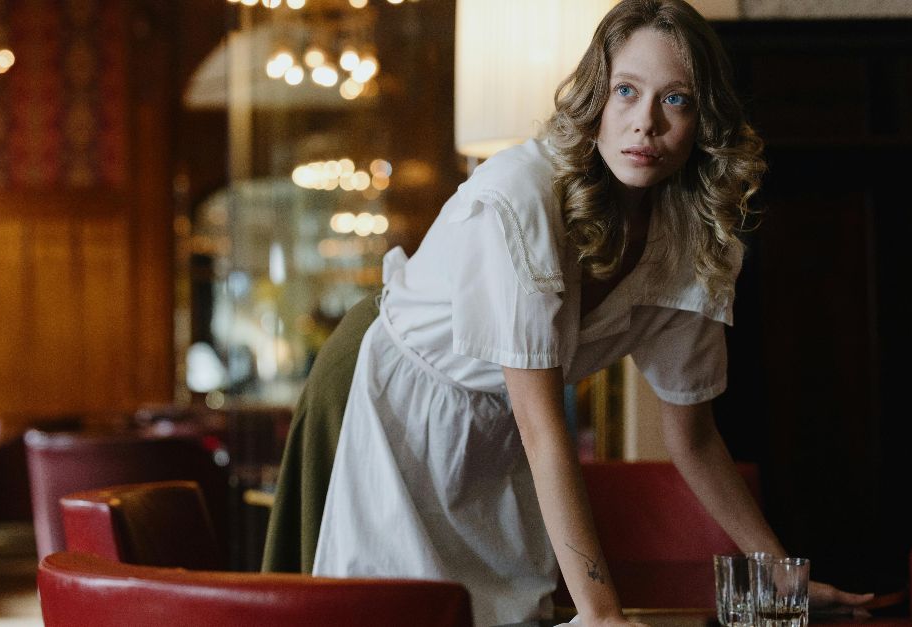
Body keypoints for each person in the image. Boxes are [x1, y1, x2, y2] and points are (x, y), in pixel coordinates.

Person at [271, 1, 874, 625]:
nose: (645, 124)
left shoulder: (692, 240)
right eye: (626, 92)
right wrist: (602, 614)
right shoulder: (519, 199)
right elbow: (541, 424)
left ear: (705, 120)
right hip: (380, 389)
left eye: (676, 100)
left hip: (494, 420)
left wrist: (781, 579)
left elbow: (692, 439)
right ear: (596, 98)